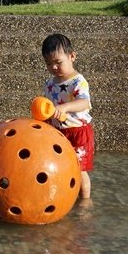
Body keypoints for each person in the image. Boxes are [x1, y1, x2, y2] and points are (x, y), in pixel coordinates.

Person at [41, 33, 94, 199]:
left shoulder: (78, 81)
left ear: (72, 56)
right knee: (59, 167)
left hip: (79, 132)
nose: (54, 67)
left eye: (58, 62)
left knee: (79, 170)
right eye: (49, 64)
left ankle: (85, 202)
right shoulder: (50, 84)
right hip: (58, 132)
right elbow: (49, 108)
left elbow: (85, 103)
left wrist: (65, 107)